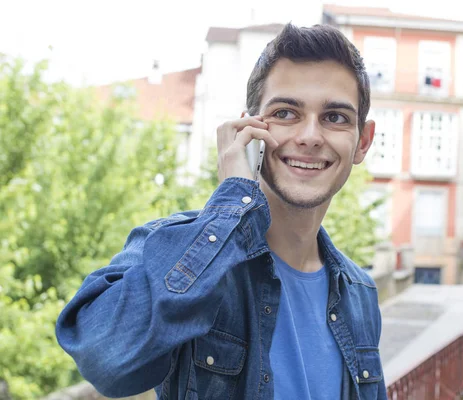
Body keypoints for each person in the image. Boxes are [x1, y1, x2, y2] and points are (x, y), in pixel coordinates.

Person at [56, 23, 386, 400]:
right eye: (285, 113)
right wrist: (233, 202)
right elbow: (104, 360)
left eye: (335, 117)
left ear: (362, 142)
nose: (310, 136)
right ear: (247, 129)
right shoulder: (173, 250)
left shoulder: (359, 292)